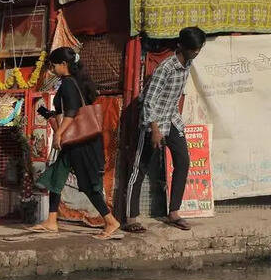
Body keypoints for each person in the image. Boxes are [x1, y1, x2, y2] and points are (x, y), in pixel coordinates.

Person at [28, 47, 121, 239]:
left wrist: (59, 135)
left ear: (64, 64)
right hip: (77, 141)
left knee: (88, 184)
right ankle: (51, 221)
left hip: (81, 143)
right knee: (56, 177)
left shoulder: (68, 84)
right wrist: (50, 115)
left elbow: (71, 113)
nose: (51, 68)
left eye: (53, 65)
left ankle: (110, 221)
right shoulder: (78, 82)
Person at [124, 26, 206, 233]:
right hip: (153, 122)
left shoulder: (188, 63)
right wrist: (154, 129)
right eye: (193, 49)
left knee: (183, 162)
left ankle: (174, 212)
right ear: (182, 46)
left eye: (198, 49)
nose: (196, 52)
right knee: (139, 168)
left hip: (172, 119)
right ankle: (130, 218)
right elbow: (149, 100)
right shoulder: (166, 68)